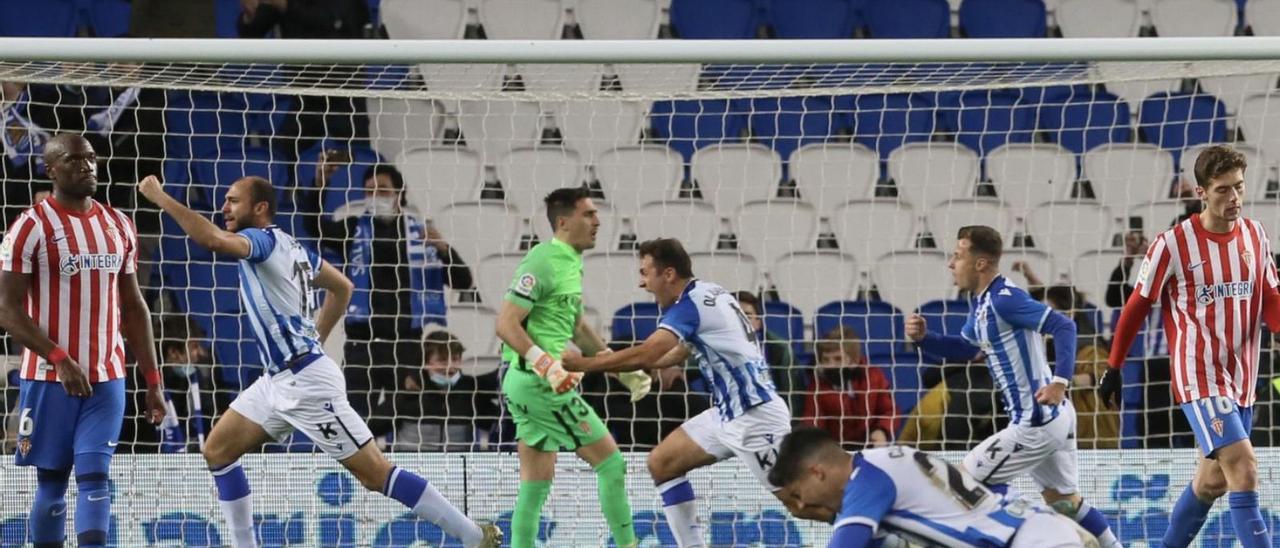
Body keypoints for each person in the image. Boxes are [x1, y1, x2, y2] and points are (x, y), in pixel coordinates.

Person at [137, 175, 499, 548]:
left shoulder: (261, 241)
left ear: (260, 208)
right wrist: (317, 336)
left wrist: (161, 196)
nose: (224, 208)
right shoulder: (292, 246)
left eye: (233, 201)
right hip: (277, 380)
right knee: (217, 450)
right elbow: (342, 287)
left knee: (376, 475)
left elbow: (210, 239)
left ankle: (474, 537)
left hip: (307, 384)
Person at [562, 237, 798, 547]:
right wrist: (622, 366)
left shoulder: (690, 306)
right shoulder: (711, 292)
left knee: (801, 502)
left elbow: (648, 352)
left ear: (668, 273)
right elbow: (675, 353)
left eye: (646, 273)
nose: (642, 282)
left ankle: (871, 524)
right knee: (662, 463)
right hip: (726, 414)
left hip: (756, 417)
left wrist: (582, 363)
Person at [1101, 145, 1280, 548]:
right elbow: (1137, 306)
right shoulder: (1173, 244)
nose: (1233, 198)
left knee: (1213, 480)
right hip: (1199, 376)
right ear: (1201, 192)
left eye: (1238, 187)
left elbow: (1270, 294)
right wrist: (1114, 366)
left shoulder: (1255, 235)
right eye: (1222, 190)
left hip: (1242, 377)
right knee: (1245, 468)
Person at [905, 225, 1120, 547]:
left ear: (980, 263)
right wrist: (926, 339)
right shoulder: (981, 305)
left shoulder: (1005, 300)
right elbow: (970, 350)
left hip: (1036, 421)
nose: (951, 263)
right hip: (1054, 417)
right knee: (1064, 502)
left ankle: (1030, 537)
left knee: (962, 484)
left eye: (958, 256)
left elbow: (1064, 325)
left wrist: (1060, 382)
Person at [0, 134, 166, 547]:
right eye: (73, 160)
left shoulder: (118, 224)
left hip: (107, 379)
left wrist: (153, 381)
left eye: (91, 158)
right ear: (49, 169)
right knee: (53, 483)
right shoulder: (31, 227)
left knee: (95, 475)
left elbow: (134, 307)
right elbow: (7, 308)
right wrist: (58, 357)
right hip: (48, 379)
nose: (87, 166)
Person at [493, 186, 646, 548]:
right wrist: (547, 366)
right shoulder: (542, 260)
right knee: (611, 465)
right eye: (588, 214)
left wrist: (619, 368)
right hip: (540, 383)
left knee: (535, 485)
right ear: (564, 222)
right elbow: (506, 323)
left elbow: (577, 328)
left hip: (528, 382)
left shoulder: (569, 263)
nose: (597, 221)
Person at [303, 157, 472, 418]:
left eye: (382, 190)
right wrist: (320, 186)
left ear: (399, 194)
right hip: (362, 346)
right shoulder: (353, 229)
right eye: (369, 191)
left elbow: (464, 281)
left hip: (406, 347)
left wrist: (443, 248)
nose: (375, 197)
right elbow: (315, 227)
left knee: (403, 418)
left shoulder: (419, 234)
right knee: (355, 419)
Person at [767, 427, 1096, 548]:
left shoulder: (867, 481)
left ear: (817, 472)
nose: (800, 506)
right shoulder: (878, 467)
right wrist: (828, 518)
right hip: (1034, 528)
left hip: (1029, 539)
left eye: (798, 494)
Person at [383, 330, 501, 452]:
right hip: (411, 467)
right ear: (425, 363)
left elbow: (499, 421)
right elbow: (372, 427)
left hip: (457, 467)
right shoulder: (408, 394)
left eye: (455, 359)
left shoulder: (469, 392)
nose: (450, 366)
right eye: (442, 360)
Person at [801, 326, 898, 449]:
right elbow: (812, 422)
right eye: (826, 360)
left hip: (871, 447)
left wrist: (882, 431)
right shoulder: (817, 386)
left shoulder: (873, 377)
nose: (830, 365)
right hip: (833, 450)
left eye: (838, 359)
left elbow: (889, 410)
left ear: (854, 360)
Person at [733, 290, 804, 413]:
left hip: (770, 417)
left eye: (747, 316)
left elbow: (792, 399)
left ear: (758, 322)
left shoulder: (780, 350)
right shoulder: (710, 347)